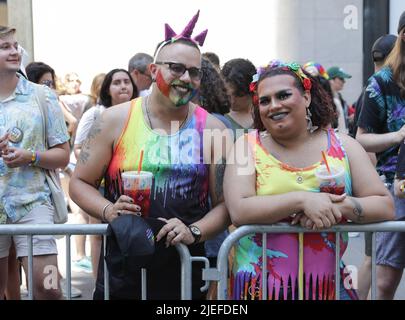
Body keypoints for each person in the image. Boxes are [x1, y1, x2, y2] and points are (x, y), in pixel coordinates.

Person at [69, 11, 230, 299]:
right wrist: (108, 210)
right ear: (154, 71)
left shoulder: (213, 129)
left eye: (194, 72)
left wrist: (193, 230)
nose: (186, 78)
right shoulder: (113, 120)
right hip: (124, 262)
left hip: (184, 263)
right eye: (176, 68)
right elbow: (80, 182)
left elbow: (224, 204)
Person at [223, 60, 394, 300]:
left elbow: (384, 205)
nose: (274, 105)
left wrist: (341, 206)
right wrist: (303, 201)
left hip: (328, 287)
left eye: (283, 95)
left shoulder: (343, 146)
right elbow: (239, 209)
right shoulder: (245, 147)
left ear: (306, 97)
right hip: (260, 289)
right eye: (264, 100)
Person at [0, 26, 70, 299]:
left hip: (33, 204)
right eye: (5, 46)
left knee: (48, 286)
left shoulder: (43, 96)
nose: (14, 51)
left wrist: (31, 156)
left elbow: (63, 156)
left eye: (15, 46)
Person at [356, 11, 405, 300]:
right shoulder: (382, 82)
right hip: (395, 189)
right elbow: (362, 139)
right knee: (385, 281)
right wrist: (400, 135)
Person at [73, 68, 137, 278]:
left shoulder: (140, 113)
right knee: (99, 234)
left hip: (131, 184)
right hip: (100, 185)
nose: (123, 86)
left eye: (126, 81)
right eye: (116, 82)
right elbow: (79, 145)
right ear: (107, 89)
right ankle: (98, 280)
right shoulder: (96, 114)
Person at [221, 58, 256, 141]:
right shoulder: (220, 119)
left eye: (237, 95)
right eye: (227, 94)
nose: (231, 101)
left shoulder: (265, 114)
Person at [327, 66, 352, 134]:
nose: (344, 81)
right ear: (331, 80)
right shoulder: (325, 100)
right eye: (341, 78)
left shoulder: (339, 97)